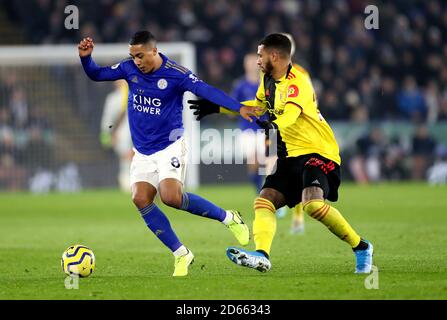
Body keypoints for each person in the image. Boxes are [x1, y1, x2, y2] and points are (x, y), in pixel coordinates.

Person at [190, 34, 373, 274]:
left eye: (260, 55)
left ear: (273, 56)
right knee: (264, 200)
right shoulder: (267, 79)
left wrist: (272, 127)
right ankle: (262, 255)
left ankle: (361, 247)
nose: (257, 60)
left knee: (313, 205)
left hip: (319, 151)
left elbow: (290, 115)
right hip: (290, 155)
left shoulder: (299, 82)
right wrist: (219, 107)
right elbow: (257, 107)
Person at [78, 31, 257, 276]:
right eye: (132, 56)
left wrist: (239, 107)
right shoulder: (129, 69)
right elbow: (97, 74)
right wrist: (86, 59)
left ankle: (229, 218)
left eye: (140, 55)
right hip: (142, 151)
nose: (136, 61)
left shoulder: (177, 74)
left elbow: (207, 90)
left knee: (171, 197)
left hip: (170, 145)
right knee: (140, 198)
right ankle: (181, 254)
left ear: (154, 51)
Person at [100, 79, 134, 192]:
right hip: (122, 132)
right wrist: (109, 134)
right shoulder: (113, 98)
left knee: (131, 157)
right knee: (126, 157)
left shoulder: (137, 94)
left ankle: (130, 182)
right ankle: (126, 181)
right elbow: (108, 120)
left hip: (135, 131)